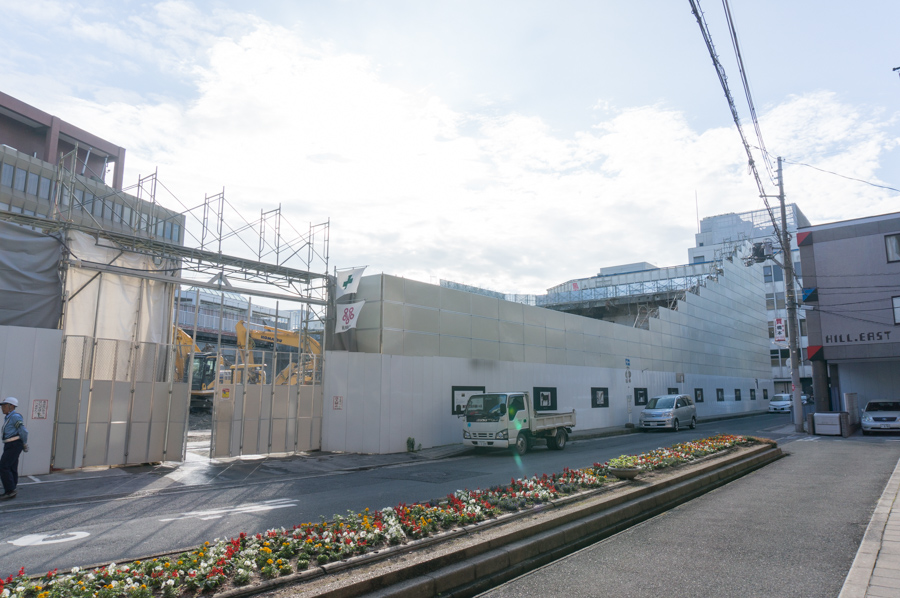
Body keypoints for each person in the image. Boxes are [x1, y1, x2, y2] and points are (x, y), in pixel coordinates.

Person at [1, 397, 28, 500]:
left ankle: (10, 490)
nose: (2, 408)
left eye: (4, 405)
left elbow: (23, 431)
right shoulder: (9, 417)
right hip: (10, 444)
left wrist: (24, 443)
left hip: (14, 444)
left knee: (4, 466)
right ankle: (12, 488)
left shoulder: (15, 416)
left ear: (11, 406)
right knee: (12, 466)